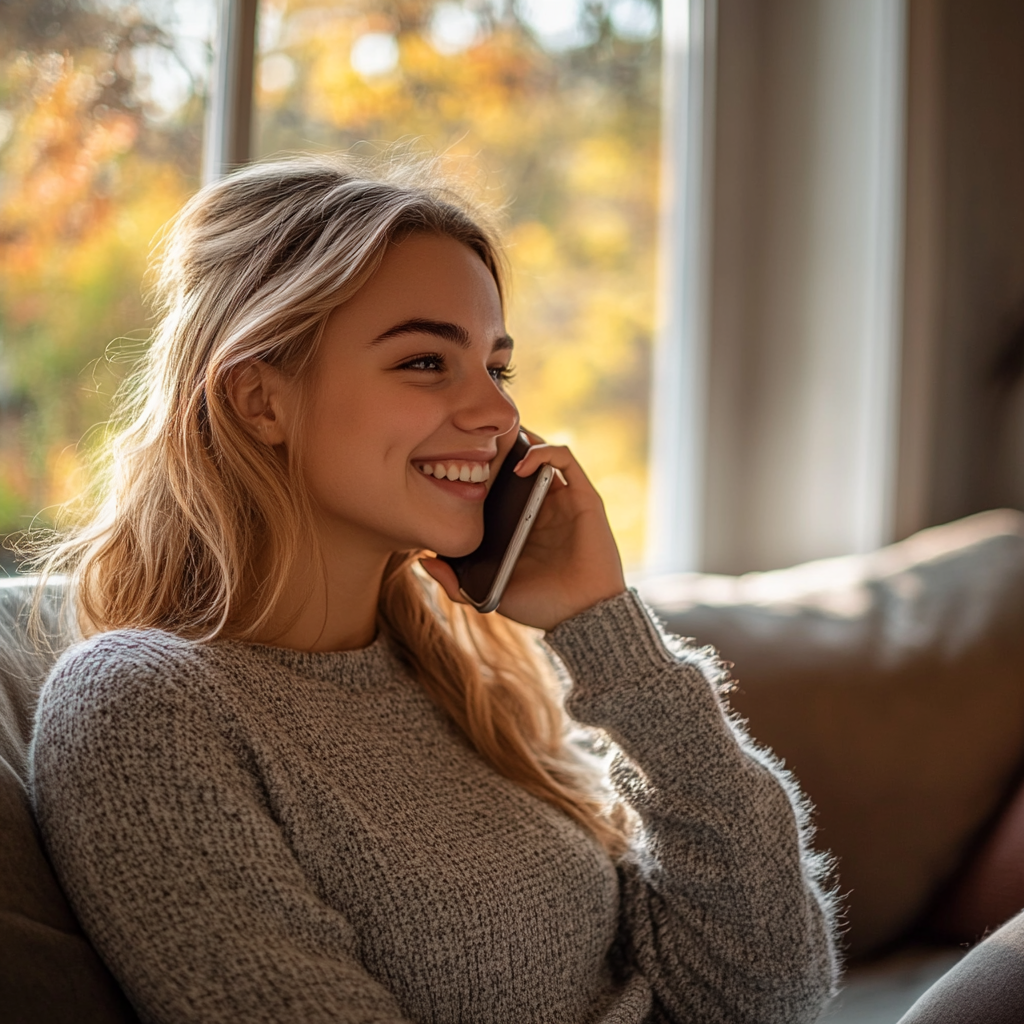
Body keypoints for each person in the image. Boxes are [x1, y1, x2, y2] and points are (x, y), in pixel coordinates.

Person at [29, 155, 838, 1024]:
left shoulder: (465, 681)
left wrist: (605, 631)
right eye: (425, 362)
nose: (495, 414)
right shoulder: (143, 708)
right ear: (260, 399)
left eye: (497, 367)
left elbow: (767, 991)